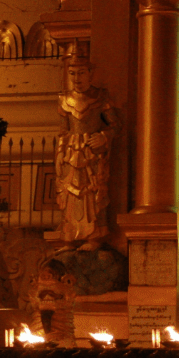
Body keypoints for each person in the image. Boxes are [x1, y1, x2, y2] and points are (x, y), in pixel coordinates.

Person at [54, 57, 122, 250]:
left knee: (93, 194)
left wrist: (104, 137)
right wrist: (60, 152)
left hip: (92, 154)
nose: (77, 78)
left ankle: (94, 237)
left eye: (81, 73)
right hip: (70, 154)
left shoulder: (101, 98)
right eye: (72, 73)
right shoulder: (64, 99)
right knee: (70, 193)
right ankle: (70, 237)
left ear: (90, 74)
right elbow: (63, 130)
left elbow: (116, 125)